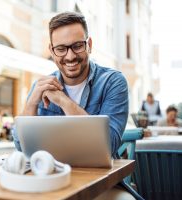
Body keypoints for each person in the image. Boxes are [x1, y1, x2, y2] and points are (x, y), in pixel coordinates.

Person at [12, 12, 143, 200]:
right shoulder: (40, 88)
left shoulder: (113, 82)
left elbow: (109, 144)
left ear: (89, 45)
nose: (70, 56)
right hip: (49, 181)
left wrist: (63, 101)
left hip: (100, 183)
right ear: (52, 50)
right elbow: (20, 149)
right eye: (61, 49)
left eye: (77, 46)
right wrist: (32, 103)